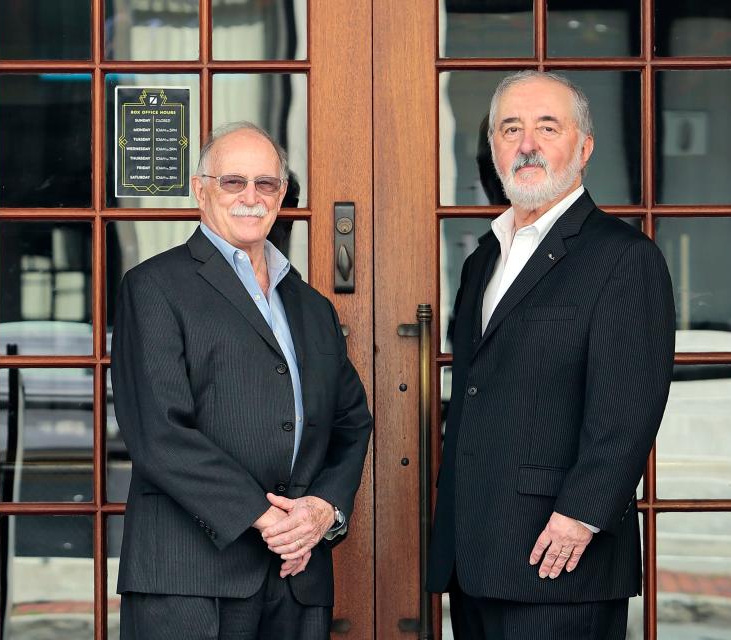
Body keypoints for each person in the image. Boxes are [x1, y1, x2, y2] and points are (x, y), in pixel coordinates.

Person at [426, 71, 676, 639]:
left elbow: (628, 408)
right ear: (492, 148)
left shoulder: (623, 258)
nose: (527, 143)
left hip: (561, 559)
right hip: (475, 559)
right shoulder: (481, 261)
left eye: (547, 127)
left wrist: (580, 517)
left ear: (584, 148)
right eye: (510, 129)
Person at [111, 121, 372, 639]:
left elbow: (351, 422)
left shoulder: (311, 305)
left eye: (266, 184)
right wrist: (267, 519)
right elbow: (159, 434)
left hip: (297, 576)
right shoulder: (154, 287)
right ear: (200, 189)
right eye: (233, 182)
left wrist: (323, 509)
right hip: (190, 579)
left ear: (280, 196)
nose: (250, 197)